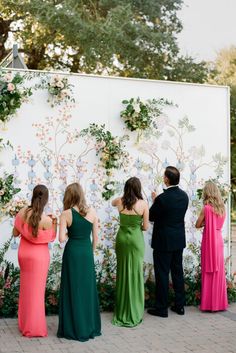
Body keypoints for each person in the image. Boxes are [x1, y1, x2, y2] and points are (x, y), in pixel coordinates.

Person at [57, 182, 101, 341]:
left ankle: (73, 327)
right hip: (86, 253)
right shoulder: (93, 211)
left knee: (72, 288)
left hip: (72, 253)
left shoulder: (66, 214)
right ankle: (89, 326)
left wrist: (71, 234)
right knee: (87, 289)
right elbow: (95, 238)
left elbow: (61, 239)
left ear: (69, 196)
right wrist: (90, 251)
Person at [13, 184, 57, 337]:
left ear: (33, 195)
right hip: (39, 257)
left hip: (24, 254)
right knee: (37, 292)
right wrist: (54, 224)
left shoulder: (22, 211)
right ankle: (34, 328)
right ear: (46, 199)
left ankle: (24, 323)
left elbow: (15, 233)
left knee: (26, 289)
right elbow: (51, 237)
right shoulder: (46, 220)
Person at [148, 166, 189, 318]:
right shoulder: (184, 196)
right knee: (178, 273)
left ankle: (161, 308)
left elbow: (151, 217)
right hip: (178, 240)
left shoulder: (162, 199)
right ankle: (180, 306)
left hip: (163, 241)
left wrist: (154, 201)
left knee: (162, 274)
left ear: (166, 179)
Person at [111, 177, 149, 327]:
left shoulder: (120, 202)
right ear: (138, 188)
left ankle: (121, 310)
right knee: (135, 274)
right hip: (135, 240)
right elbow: (145, 227)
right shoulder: (143, 204)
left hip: (121, 239)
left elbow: (112, 201)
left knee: (122, 273)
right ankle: (134, 310)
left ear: (126, 188)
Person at [196, 181, 228, 311]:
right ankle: (219, 304)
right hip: (218, 239)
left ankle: (209, 305)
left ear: (207, 192)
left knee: (208, 270)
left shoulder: (206, 208)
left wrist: (206, 224)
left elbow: (197, 225)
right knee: (219, 271)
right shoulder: (222, 209)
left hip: (209, 240)